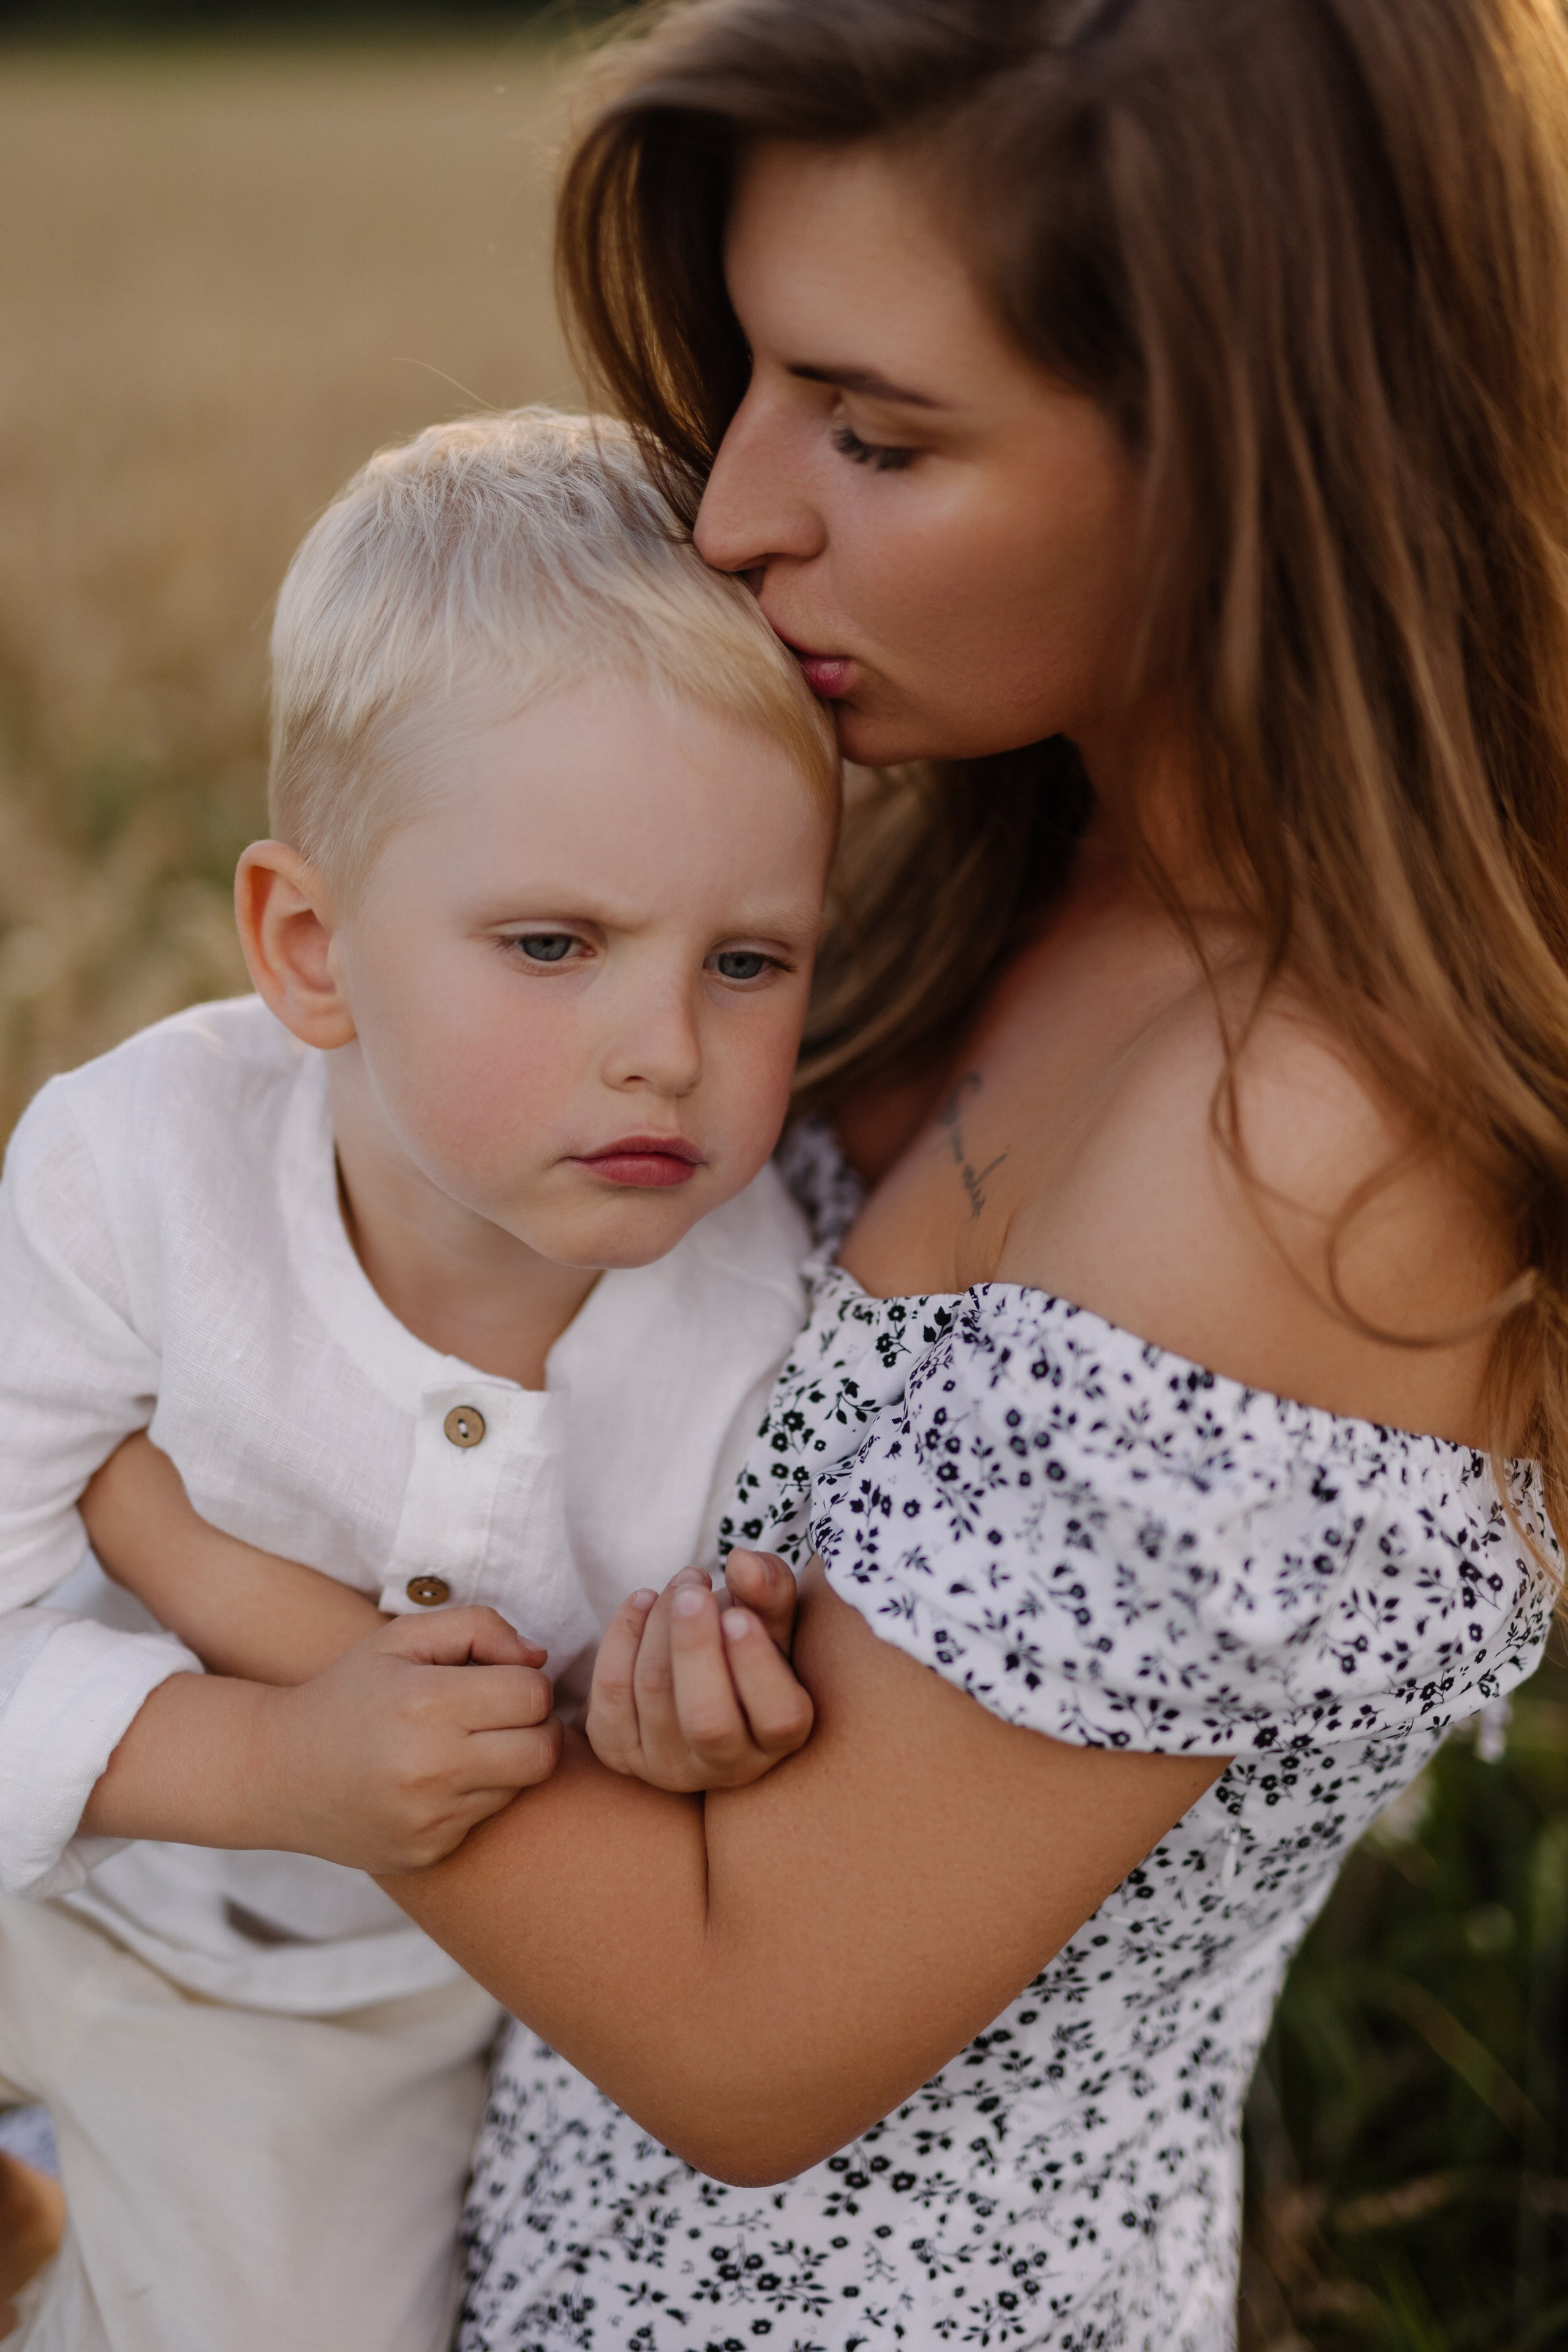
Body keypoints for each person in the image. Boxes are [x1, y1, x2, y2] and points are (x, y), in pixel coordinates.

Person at [69, 0, 1568, 2343]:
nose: (740, 509)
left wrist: (195, 1561)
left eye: (875, 434)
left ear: (1261, 454)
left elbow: (748, 2032)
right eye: (762, 379)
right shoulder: (975, 858)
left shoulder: (1305, 1153)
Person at [0, 405, 839, 2352]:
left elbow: (643, 1784)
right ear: (312, 948)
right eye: (555, 944)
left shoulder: (766, 1325)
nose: (664, 1049)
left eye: (750, 962)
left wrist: (682, 1742)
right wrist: (257, 1765)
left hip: (334, 2011)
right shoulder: (134, 1177)